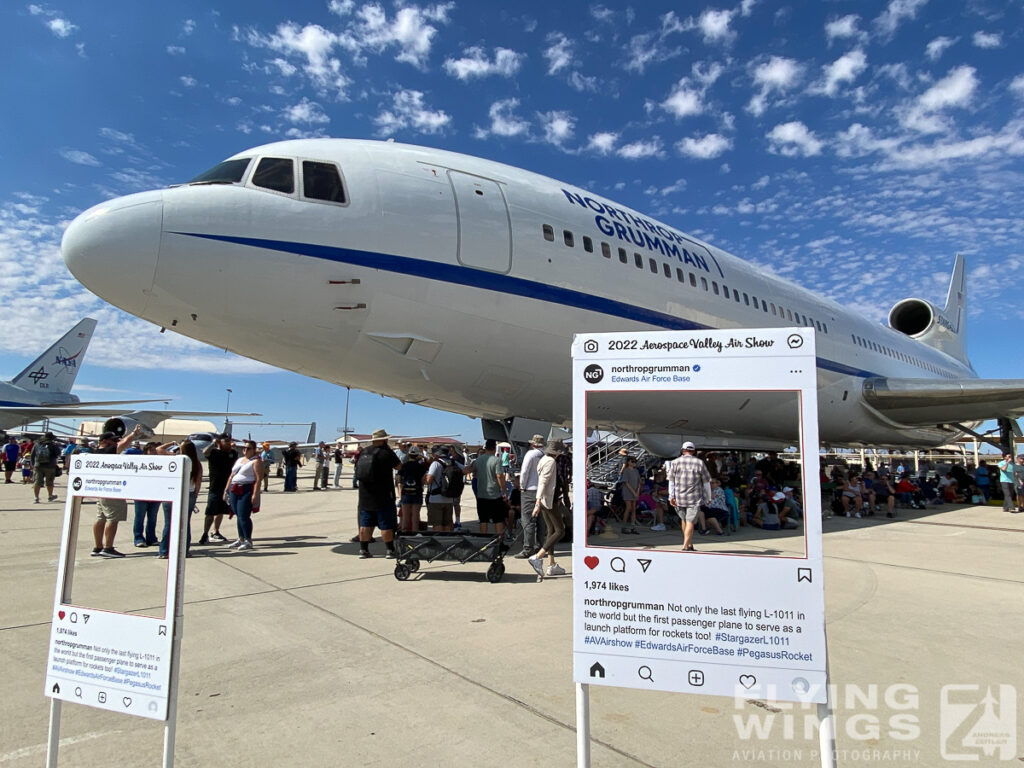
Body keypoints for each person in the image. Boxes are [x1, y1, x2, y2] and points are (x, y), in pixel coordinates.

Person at [90, 429, 138, 558]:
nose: (115, 442)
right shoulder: (108, 451)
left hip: (100, 489)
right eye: (113, 440)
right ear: (104, 441)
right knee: (113, 518)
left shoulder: (95, 452)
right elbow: (124, 443)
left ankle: (98, 546)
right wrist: (134, 434)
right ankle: (108, 547)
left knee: (101, 518)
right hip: (111, 489)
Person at [355, 428, 401, 558]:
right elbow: (399, 466)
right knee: (386, 524)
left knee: (365, 524)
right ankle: (389, 550)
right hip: (383, 495)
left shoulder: (364, 451)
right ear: (383, 439)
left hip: (365, 495)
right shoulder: (386, 453)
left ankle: (363, 550)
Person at [527, 440, 567, 579]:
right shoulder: (551, 462)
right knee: (560, 530)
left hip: (545, 499)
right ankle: (538, 556)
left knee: (550, 530)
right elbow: (544, 481)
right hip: (549, 500)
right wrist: (538, 502)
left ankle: (551, 564)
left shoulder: (543, 459)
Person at [158, 439, 203, 559]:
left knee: (169, 523)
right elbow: (198, 482)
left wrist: (172, 444)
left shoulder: (176, 459)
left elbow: (159, 450)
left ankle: (164, 551)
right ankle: (184, 550)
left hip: (172, 493)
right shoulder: (196, 463)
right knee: (185, 523)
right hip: (189, 493)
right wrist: (195, 495)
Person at [666, 441, 710, 552]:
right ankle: (685, 546)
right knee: (690, 521)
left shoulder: (675, 462)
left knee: (684, 520)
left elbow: (671, 481)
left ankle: (689, 544)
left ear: (682, 450)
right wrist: (708, 497)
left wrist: (671, 496)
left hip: (679, 497)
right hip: (694, 498)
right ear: (694, 451)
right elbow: (706, 482)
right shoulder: (699, 463)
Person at [224, 440, 264, 551]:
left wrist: (255, 494)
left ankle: (248, 540)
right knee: (237, 514)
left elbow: (258, 479)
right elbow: (231, 476)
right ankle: (241, 538)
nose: (245, 450)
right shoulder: (239, 460)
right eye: (244, 448)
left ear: (254, 450)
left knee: (243, 515)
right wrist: (226, 490)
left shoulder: (256, 462)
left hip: (246, 489)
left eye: (249, 448)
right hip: (234, 488)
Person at [200, 434, 236, 544]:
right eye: (227, 442)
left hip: (226, 487)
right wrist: (213, 444)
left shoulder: (232, 453)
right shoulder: (214, 453)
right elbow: (205, 452)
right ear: (220, 442)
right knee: (210, 511)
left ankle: (215, 531)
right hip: (214, 487)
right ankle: (205, 533)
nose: (229, 444)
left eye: (230, 442)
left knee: (220, 511)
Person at [514, 434, 545, 558]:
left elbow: (525, 471)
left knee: (528, 519)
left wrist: (522, 486)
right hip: (542, 490)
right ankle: (540, 545)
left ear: (532, 444)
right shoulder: (545, 455)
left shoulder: (531, 454)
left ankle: (528, 547)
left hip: (530, 489)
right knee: (541, 521)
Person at [469, 439, 508, 537]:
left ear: (485, 448)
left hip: (481, 494)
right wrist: (504, 491)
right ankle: (499, 542)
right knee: (498, 520)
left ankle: (484, 542)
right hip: (494, 495)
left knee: (483, 520)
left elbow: (472, 471)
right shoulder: (497, 460)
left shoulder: (478, 460)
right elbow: (499, 476)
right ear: (495, 448)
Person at [423, 444, 461, 533]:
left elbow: (429, 480)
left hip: (436, 499)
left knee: (437, 524)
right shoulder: (453, 462)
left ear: (437, 454)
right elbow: (465, 470)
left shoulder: (436, 464)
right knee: (447, 523)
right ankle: (446, 542)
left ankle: (438, 542)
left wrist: (424, 477)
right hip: (449, 498)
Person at [132, 442, 162, 547]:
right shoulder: (140, 462)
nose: (154, 452)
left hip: (156, 494)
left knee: (152, 518)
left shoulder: (161, 462)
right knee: (139, 517)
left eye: (155, 450)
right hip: (141, 494)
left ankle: (151, 538)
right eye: (152, 450)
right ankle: (138, 538)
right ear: (146, 451)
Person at [396, 446, 425, 533]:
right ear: (417, 455)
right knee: (415, 516)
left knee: (405, 516)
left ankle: (404, 533)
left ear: (409, 454)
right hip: (417, 492)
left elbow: (399, 479)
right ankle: (414, 533)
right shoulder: (421, 467)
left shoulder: (404, 466)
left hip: (406, 492)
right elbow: (423, 480)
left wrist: (400, 491)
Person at [31, 431, 60, 503]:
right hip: (50, 466)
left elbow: (32, 454)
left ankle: (36, 497)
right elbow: (58, 453)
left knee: (37, 482)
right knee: (49, 482)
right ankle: (50, 496)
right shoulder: (52, 444)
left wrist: (33, 464)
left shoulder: (37, 444)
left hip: (38, 465)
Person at [619, 456, 641, 534]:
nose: (634, 463)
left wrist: (637, 491)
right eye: (632, 461)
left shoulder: (636, 471)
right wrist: (633, 492)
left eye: (635, 461)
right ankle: (624, 526)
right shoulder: (626, 471)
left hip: (635, 491)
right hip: (628, 491)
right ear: (628, 462)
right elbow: (626, 482)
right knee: (628, 508)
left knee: (633, 509)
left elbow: (639, 482)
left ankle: (633, 526)